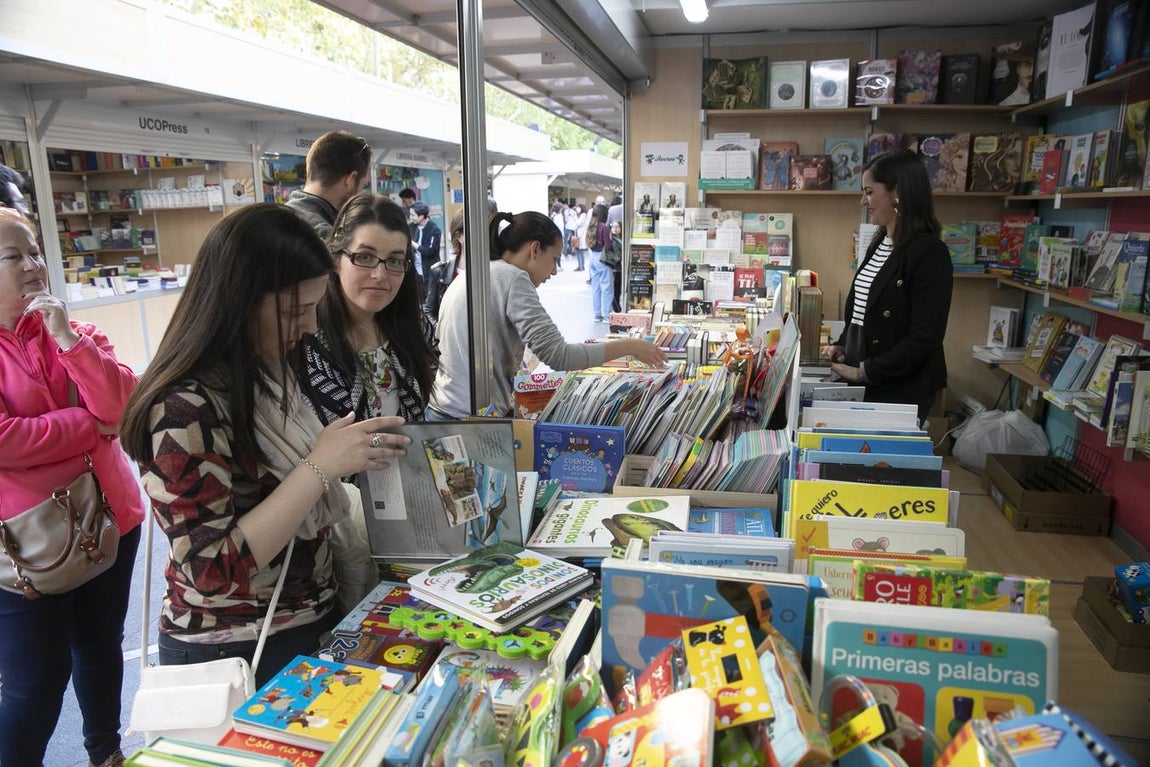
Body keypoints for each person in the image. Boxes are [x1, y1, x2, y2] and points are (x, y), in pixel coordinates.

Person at [119, 204, 407, 687]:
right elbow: (210, 569)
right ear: (240, 300)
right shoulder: (181, 408)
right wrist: (319, 465)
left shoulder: (267, 370)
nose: (311, 326)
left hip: (304, 622)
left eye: (314, 307)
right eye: (296, 311)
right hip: (233, 651)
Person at [0, 207, 144, 767]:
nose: (33, 264)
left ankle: (105, 753)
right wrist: (89, 427)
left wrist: (67, 340)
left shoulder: (76, 330)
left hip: (111, 516)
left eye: (35, 251)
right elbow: (5, 441)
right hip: (27, 540)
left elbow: (122, 405)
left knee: (100, 646)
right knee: (34, 682)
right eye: (14, 256)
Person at [427, 211, 668, 419]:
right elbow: (559, 356)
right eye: (554, 259)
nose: (553, 271)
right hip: (470, 419)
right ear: (534, 249)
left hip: (443, 408)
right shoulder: (512, 278)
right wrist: (629, 346)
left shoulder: (476, 272)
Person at [820, 150, 952, 423]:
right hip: (866, 381)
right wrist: (843, 347)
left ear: (898, 193)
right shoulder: (879, 242)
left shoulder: (929, 253)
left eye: (869, 192)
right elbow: (862, 311)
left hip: (899, 387)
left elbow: (925, 337)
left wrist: (864, 371)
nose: (863, 201)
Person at [304, 194, 436, 426]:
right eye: (365, 257)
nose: (379, 275)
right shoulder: (306, 336)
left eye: (394, 261)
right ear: (335, 258)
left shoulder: (413, 324)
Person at [284, 130, 372, 241]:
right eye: (362, 186)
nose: (360, 193)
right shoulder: (328, 239)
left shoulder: (279, 217)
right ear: (351, 179)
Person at [425, 208, 466, 330]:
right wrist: (442, 334)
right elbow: (429, 311)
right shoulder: (440, 271)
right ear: (459, 236)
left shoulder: (491, 271)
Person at [409, 201, 441, 299]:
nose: (411, 217)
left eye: (413, 215)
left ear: (421, 216)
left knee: (430, 300)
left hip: (429, 272)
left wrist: (412, 243)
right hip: (415, 272)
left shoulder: (434, 230)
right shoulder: (412, 227)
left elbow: (429, 251)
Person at [586, 203, 612, 323]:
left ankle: (597, 314)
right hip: (602, 258)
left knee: (595, 287)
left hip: (592, 258)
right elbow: (608, 245)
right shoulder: (603, 227)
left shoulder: (591, 226)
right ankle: (607, 315)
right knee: (606, 287)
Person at [603, 219, 624, 313]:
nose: (615, 229)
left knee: (618, 289)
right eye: (613, 227)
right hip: (614, 267)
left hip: (619, 268)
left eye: (617, 227)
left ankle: (617, 308)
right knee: (615, 289)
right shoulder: (611, 240)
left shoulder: (621, 239)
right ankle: (617, 309)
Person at [573, 203, 589, 272]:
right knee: (578, 251)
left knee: (579, 251)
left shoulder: (583, 215)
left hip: (581, 235)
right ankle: (580, 265)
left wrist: (575, 217)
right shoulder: (580, 215)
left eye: (578, 207)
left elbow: (577, 223)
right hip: (578, 234)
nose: (577, 209)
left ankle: (581, 266)